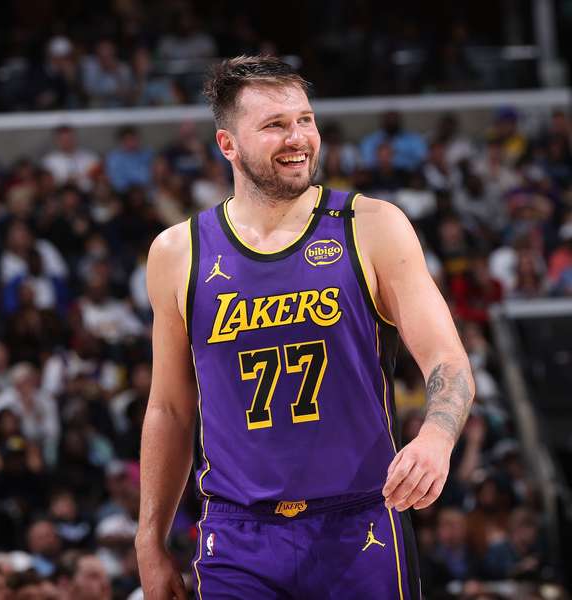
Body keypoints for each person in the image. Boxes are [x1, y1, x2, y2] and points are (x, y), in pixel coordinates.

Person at [136, 56, 474, 599]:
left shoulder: (372, 226)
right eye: (275, 125)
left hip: (360, 522)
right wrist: (149, 540)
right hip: (237, 533)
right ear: (227, 145)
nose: (298, 138)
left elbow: (448, 359)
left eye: (305, 120)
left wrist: (436, 436)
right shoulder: (179, 252)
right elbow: (169, 409)